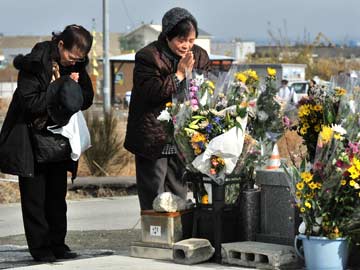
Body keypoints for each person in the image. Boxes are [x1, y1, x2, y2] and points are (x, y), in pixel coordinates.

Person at [0, 24, 94, 262]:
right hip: (31, 139)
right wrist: (60, 87)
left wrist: (74, 87)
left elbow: (87, 99)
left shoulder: (76, 64)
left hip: (59, 140)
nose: (73, 63)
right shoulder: (34, 63)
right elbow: (30, 103)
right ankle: (41, 249)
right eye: (71, 57)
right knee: (35, 199)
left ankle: (58, 244)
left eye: (79, 60)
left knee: (56, 197)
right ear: (60, 45)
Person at [124, 7, 210, 210]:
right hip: (153, 136)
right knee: (154, 191)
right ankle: (155, 234)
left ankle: (177, 233)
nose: (186, 46)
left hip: (182, 135)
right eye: (181, 40)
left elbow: (207, 87)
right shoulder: (148, 57)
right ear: (167, 36)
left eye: (191, 40)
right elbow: (152, 92)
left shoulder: (199, 55)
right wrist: (179, 74)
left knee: (178, 189)